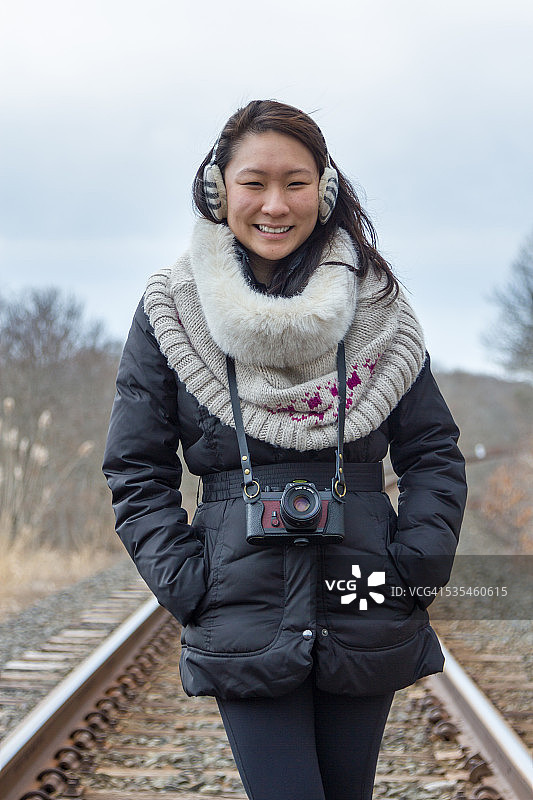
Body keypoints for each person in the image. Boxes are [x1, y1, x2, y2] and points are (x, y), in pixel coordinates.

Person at [103, 99, 467, 800]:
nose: (275, 204)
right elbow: (136, 467)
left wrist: (415, 566)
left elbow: (431, 449)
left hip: (364, 590)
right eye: (254, 182)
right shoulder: (171, 310)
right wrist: (188, 582)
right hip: (238, 596)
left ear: (323, 191)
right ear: (218, 189)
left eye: (295, 182)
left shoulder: (379, 307)